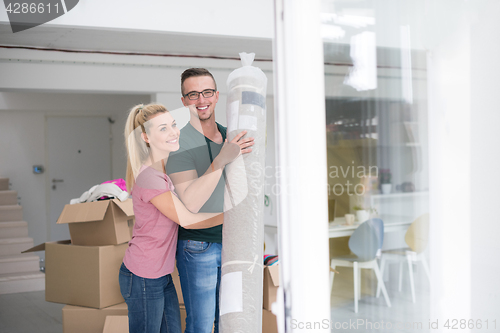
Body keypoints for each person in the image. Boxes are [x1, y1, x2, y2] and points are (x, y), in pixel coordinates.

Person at [119, 103, 239, 333]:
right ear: (145, 137)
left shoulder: (163, 170)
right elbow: (188, 220)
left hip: (160, 274)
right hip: (143, 275)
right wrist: (233, 216)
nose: (174, 132)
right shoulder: (150, 178)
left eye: (173, 125)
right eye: (163, 129)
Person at [166, 68, 254, 333]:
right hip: (198, 246)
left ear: (217, 96)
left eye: (206, 92)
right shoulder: (180, 143)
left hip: (232, 244)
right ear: (183, 101)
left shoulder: (230, 136)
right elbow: (191, 201)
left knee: (228, 322)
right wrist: (223, 158)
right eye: (192, 94)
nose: (200, 99)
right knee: (201, 326)